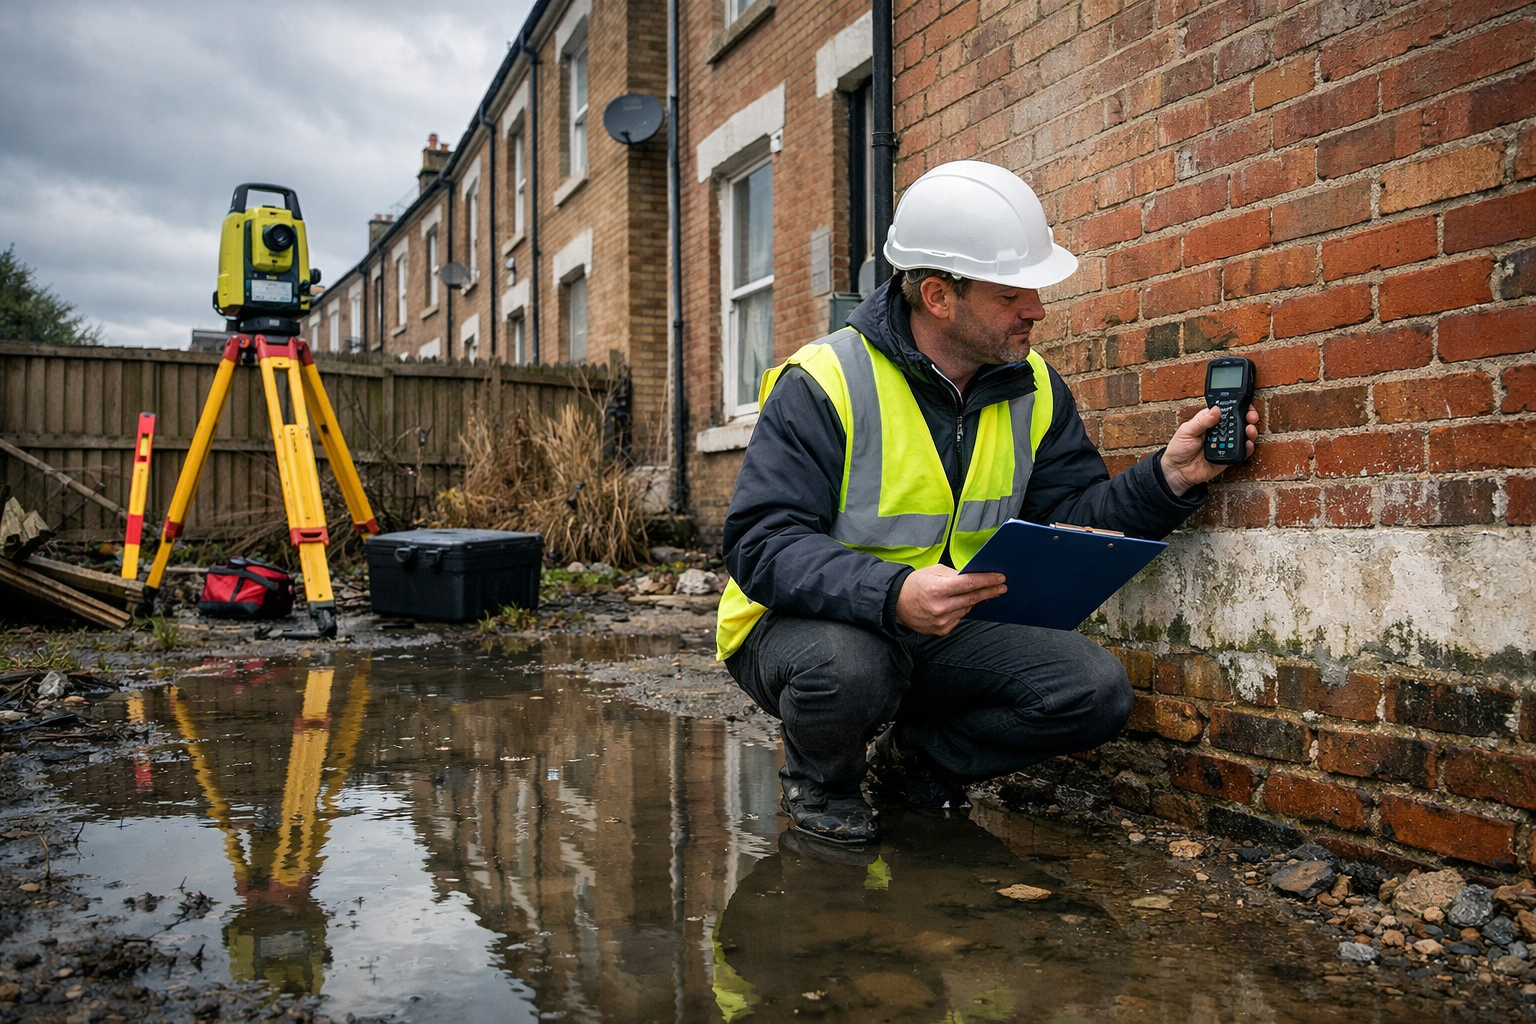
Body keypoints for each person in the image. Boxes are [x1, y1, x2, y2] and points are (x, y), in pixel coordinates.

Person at [715, 160, 1259, 845]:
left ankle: (916, 765)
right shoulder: (825, 379)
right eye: (1012, 294)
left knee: (1092, 688)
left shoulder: (1031, 384)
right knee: (851, 667)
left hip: (945, 624)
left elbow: (1073, 519)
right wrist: (894, 592)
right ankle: (823, 785)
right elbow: (760, 542)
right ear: (939, 295)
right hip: (805, 628)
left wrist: (1170, 478)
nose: (1035, 308)